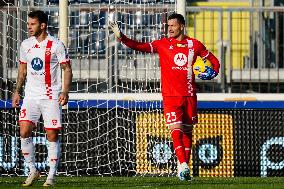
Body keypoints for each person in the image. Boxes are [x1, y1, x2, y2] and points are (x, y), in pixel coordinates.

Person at [110, 13, 220, 181]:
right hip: (170, 95)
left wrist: (214, 71)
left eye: (173, 26)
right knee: (175, 130)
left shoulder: (194, 44)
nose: (169, 29)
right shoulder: (162, 44)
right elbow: (139, 46)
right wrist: (122, 37)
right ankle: (183, 165)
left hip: (189, 95)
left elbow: (213, 60)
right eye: (168, 26)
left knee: (188, 132)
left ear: (181, 26)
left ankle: (184, 170)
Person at [12, 10, 72, 186]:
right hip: (30, 95)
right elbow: (22, 71)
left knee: (52, 134)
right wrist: (17, 91)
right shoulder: (25, 45)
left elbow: (67, 69)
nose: (29, 27)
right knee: (23, 131)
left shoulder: (56, 45)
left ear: (43, 25)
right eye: (28, 24)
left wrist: (65, 91)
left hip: (50, 96)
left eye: (32, 24)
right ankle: (32, 170)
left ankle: (51, 175)